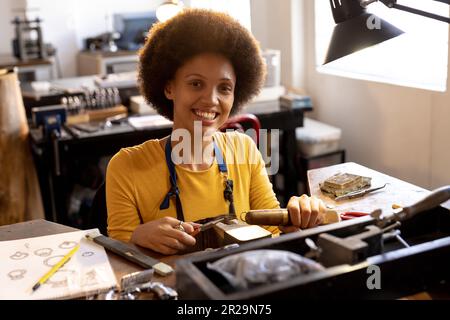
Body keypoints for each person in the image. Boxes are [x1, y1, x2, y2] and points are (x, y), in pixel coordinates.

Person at [106, 8, 326, 255]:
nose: (211, 100)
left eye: (224, 88)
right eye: (196, 84)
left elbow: (271, 233)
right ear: (169, 88)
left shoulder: (244, 149)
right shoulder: (126, 167)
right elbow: (117, 258)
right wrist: (137, 237)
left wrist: (299, 221)